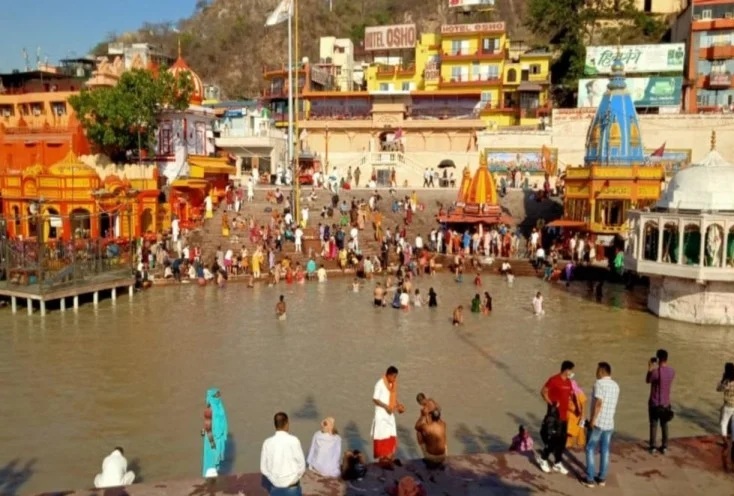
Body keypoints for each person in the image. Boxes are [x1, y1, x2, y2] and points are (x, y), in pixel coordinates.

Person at [582, 362, 620, 488]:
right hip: (609, 422)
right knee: (605, 450)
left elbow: (598, 403)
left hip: (598, 423)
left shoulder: (599, 384)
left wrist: (592, 420)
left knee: (590, 448)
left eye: (597, 370)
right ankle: (602, 478)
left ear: (602, 371)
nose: (596, 372)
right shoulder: (616, 385)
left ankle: (590, 478)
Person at [538, 360, 575, 475]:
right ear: (566, 370)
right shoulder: (553, 380)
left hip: (565, 417)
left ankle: (557, 463)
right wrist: (551, 403)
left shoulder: (569, 382)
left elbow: (569, 396)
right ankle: (543, 458)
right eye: (571, 370)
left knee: (562, 441)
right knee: (553, 439)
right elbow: (543, 392)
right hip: (555, 416)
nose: (572, 373)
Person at [261, 412, 306, 495]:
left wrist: (273, 479)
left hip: (275, 488)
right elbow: (302, 465)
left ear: (275, 425)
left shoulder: (267, 443)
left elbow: (263, 468)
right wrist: (295, 478)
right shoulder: (294, 440)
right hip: (292, 487)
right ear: (286, 423)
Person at [372, 366, 405, 468]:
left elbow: (392, 398)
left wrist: (398, 405)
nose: (395, 379)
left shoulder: (392, 384)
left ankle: (390, 457)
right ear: (389, 375)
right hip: (381, 414)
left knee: (391, 435)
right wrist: (385, 407)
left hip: (390, 414)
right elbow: (375, 399)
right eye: (394, 377)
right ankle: (383, 459)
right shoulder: (379, 384)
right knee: (382, 436)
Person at [646, 349, 675, 454]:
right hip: (666, 403)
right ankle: (664, 446)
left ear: (658, 359)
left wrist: (650, 367)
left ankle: (653, 446)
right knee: (664, 424)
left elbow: (648, 380)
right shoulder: (672, 372)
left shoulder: (655, 373)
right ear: (667, 358)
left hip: (654, 403)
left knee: (653, 424)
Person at [202, 388, 229, 477]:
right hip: (212, 440)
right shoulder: (209, 410)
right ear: (211, 397)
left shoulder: (220, 407)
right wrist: (212, 443)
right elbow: (207, 427)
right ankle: (209, 482)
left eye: (219, 395)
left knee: (217, 463)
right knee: (211, 461)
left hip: (219, 437)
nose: (218, 397)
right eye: (216, 396)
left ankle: (214, 478)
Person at [717, 362, 734, 469]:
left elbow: (718, 389)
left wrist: (723, 379)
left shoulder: (727, 382)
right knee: (733, 425)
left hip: (727, 406)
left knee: (723, 423)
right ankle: (733, 441)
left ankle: (725, 442)